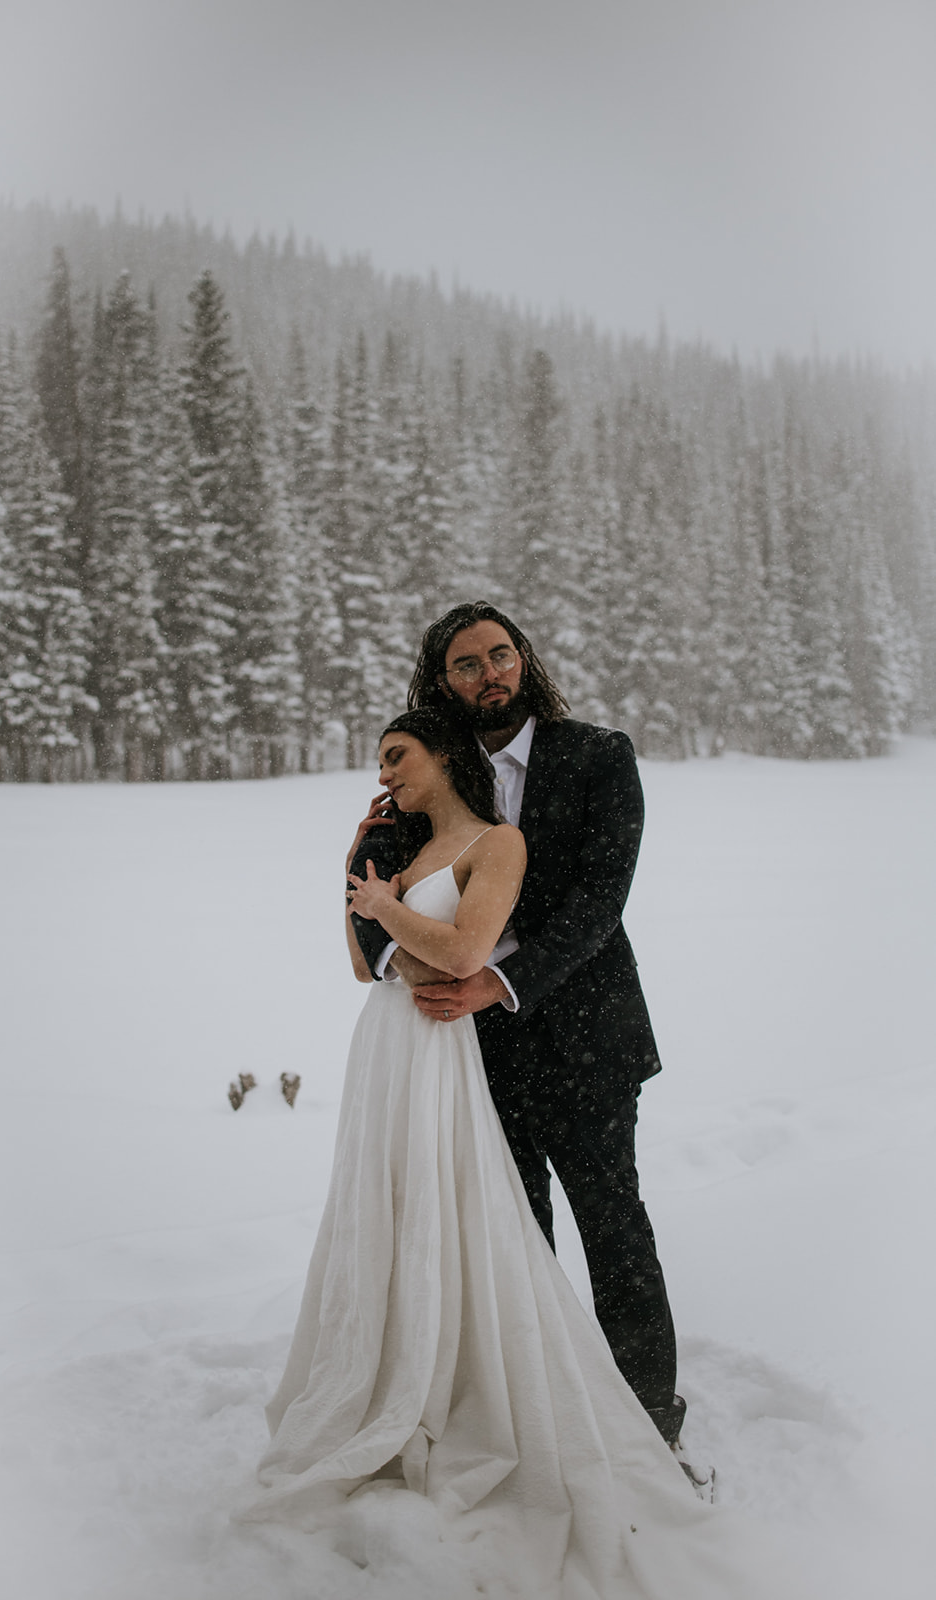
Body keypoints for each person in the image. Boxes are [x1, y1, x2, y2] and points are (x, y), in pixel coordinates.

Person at [241, 708, 752, 1597]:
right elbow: (369, 966)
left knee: (588, 1221)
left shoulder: (499, 839)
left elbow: (466, 951)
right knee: (413, 1214)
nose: (385, 773)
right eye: (379, 762)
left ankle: (614, 1411)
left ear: (444, 756)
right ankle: (438, 1375)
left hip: (507, 1043)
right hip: (394, 1056)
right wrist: (362, 876)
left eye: (397, 756)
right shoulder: (404, 850)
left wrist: (392, 918)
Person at [348, 603, 691, 1462]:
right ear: (441, 683)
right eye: (467, 664)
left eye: (502, 654)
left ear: (525, 659)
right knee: (511, 1238)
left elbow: (599, 902)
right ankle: (545, 1421)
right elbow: (381, 925)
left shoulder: (597, 755)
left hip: (587, 1039)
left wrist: (497, 981)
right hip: (470, 1056)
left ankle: (653, 1433)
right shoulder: (429, 785)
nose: (491, 672)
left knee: (614, 1230)